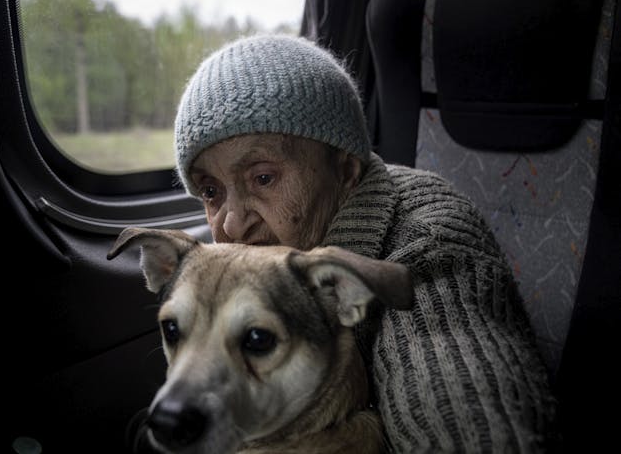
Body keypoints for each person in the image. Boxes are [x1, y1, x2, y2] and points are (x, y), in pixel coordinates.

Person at [171, 34, 557, 452]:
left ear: (346, 170)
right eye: (211, 192)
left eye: (263, 178)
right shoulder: (277, 254)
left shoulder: (427, 246)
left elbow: (465, 418)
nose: (229, 223)